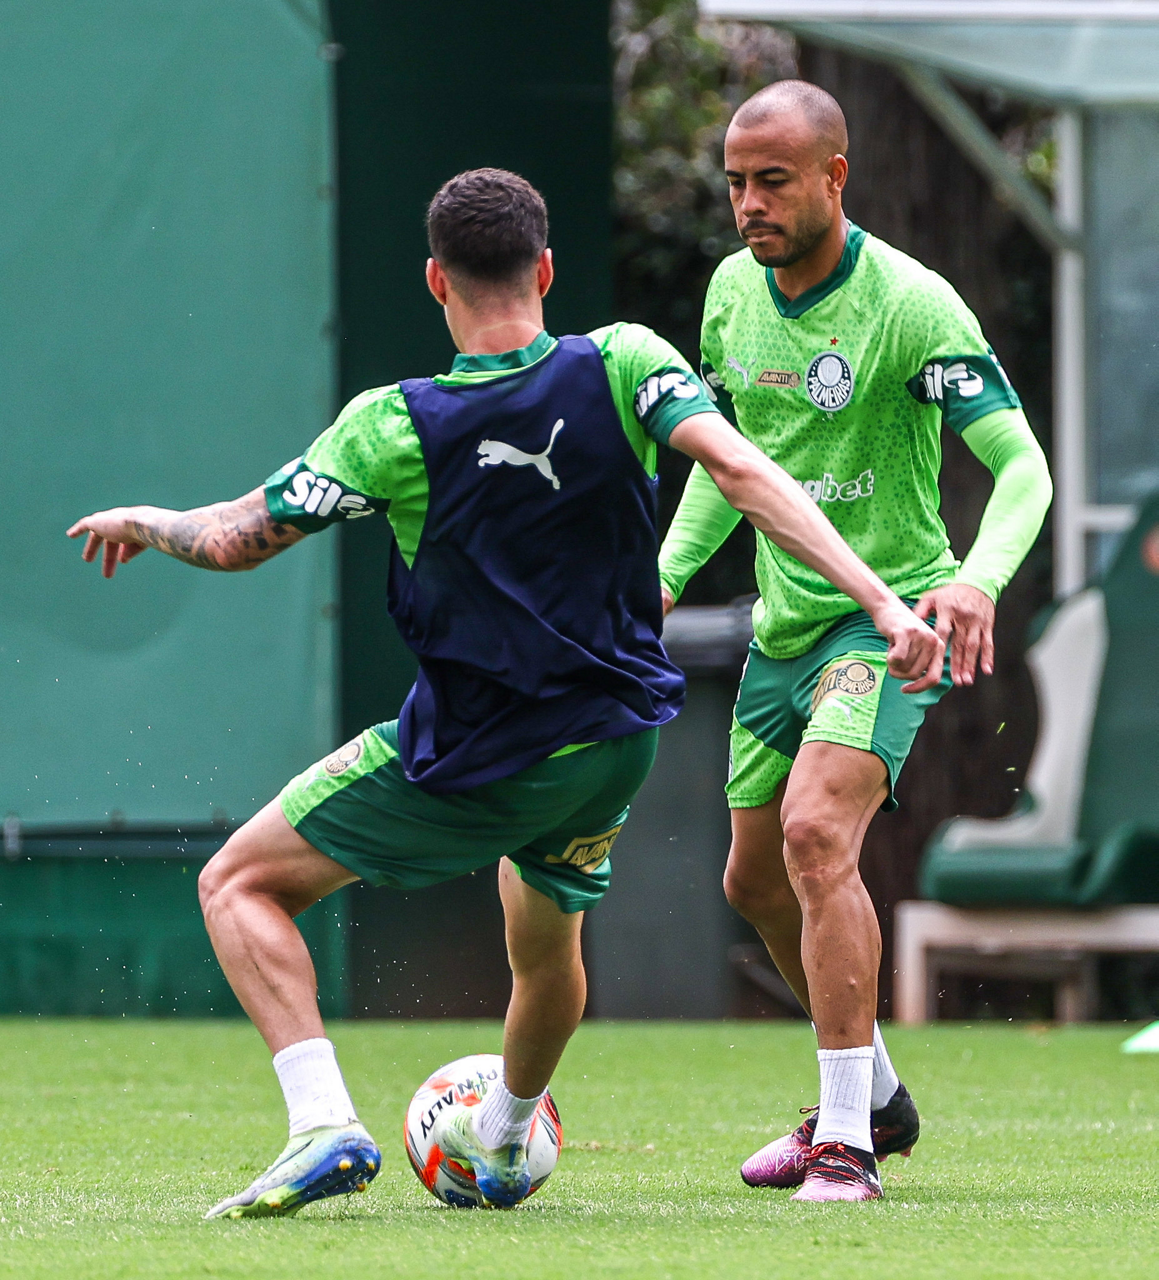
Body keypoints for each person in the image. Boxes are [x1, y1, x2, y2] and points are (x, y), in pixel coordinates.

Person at [69, 167, 941, 1219]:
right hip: (610, 748)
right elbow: (747, 473)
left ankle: (324, 1124)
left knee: (236, 884)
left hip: (476, 753)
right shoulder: (627, 361)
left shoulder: (392, 424)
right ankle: (506, 1133)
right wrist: (883, 602)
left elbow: (236, 538)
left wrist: (148, 521)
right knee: (543, 946)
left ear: (436, 280)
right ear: (547, 270)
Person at [658, 82, 1052, 1202]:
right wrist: (663, 577)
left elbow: (1022, 469)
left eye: (772, 182)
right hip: (780, 630)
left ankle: (845, 1144)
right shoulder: (730, 294)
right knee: (754, 878)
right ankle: (874, 1091)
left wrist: (974, 581)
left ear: (835, 176)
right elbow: (728, 465)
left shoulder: (911, 306)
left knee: (815, 832)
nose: (748, 204)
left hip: (888, 622)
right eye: (734, 183)